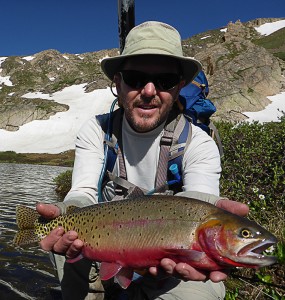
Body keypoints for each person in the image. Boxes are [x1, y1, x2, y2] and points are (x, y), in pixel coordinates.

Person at [37, 21, 249, 300]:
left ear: (179, 87)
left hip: (172, 268)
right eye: (136, 78)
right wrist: (63, 210)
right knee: (67, 247)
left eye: (165, 81)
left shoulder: (199, 143)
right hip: (102, 250)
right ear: (118, 82)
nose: (149, 90)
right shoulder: (96, 131)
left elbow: (199, 201)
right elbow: (84, 193)